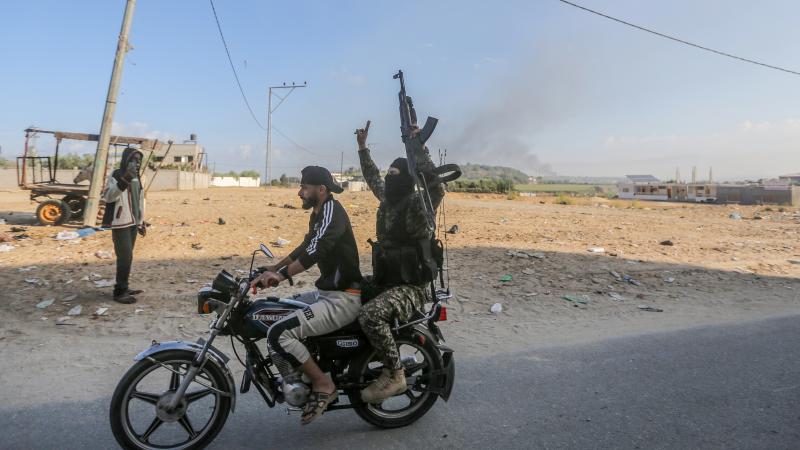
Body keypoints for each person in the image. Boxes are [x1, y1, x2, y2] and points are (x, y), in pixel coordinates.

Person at [250, 166, 363, 425]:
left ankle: (324, 384)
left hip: (343, 297)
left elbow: (315, 252)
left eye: (304, 188)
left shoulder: (332, 211)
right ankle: (303, 373)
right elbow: (306, 245)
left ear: (321, 189)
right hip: (327, 292)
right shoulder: (319, 212)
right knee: (277, 311)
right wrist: (273, 268)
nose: (300, 193)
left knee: (279, 333)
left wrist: (280, 276)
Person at [355, 121, 445, 403]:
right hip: (388, 280)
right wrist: (362, 148)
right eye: (389, 173)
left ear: (407, 179)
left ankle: (395, 374)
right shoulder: (388, 198)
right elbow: (372, 177)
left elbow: (436, 187)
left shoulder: (419, 205)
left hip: (412, 287)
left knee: (370, 316)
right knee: (345, 293)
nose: (388, 178)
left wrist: (418, 147)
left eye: (394, 174)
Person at [101, 147, 147, 304]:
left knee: (128, 257)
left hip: (133, 222)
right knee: (125, 257)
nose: (137, 163)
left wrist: (141, 222)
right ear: (126, 160)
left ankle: (124, 287)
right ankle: (119, 292)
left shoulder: (137, 177)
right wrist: (124, 180)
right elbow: (108, 197)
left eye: (139, 160)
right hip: (121, 222)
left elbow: (139, 200)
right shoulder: (116, 174)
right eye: (133, 159)